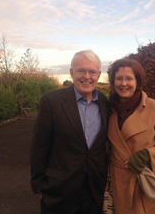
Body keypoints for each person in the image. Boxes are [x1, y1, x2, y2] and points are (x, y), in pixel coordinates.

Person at [30, 50, 110, 214]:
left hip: (94, 191)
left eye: (92, 72)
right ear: (72, 73)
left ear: (99, 75)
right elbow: (39, 146)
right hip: (58, 192)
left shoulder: (105, 103)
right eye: (81, 70)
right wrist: (39, 187)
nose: (87, 76)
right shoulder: (51, 101)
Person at [107, 58, 155, 214]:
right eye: (119, 78)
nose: (123, 83)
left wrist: (146, 155)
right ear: (113, 81)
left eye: (129, 78)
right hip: (119, 182)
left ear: (137, 81)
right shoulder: (106, 109)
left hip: (146, 181)